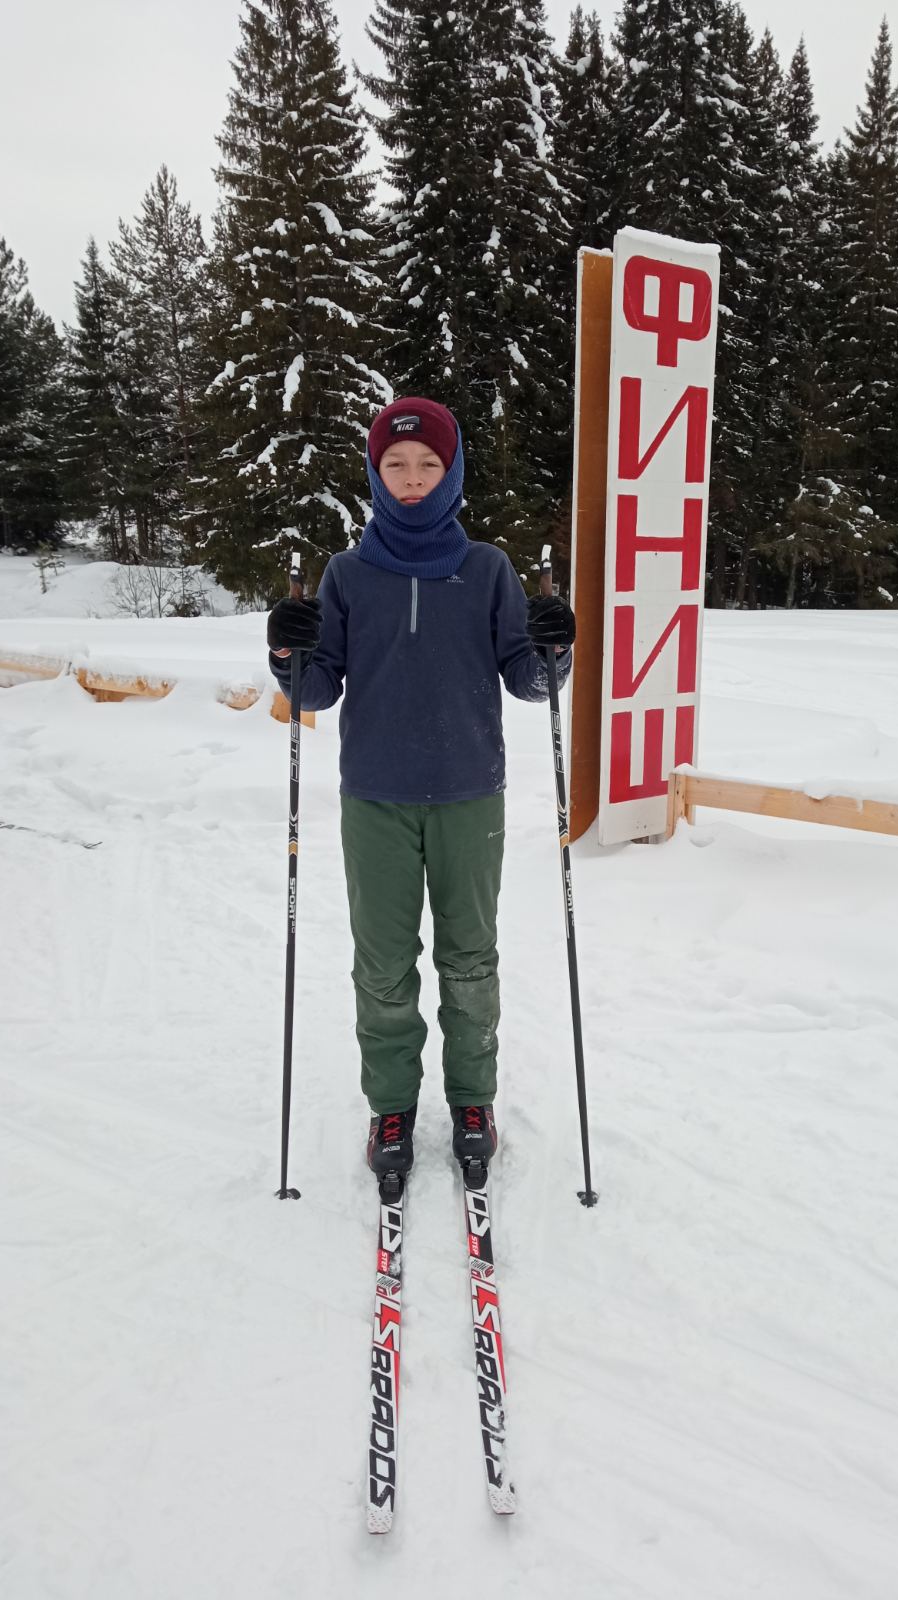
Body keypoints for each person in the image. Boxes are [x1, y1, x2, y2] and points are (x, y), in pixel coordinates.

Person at [267, 397, 574, 1191]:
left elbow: (530, 680)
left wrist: (555, 646)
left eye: (427, 465)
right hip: (375, 796)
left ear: (451, 472)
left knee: (470, 961)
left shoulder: (487, 569)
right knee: (382, 966)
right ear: (375, 473)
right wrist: (287, 653)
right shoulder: (348, 574)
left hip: (470, 794)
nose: (411, 479)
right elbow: (317, 690)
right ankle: (391, 1107)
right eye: (395, 465)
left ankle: (473, 1101)